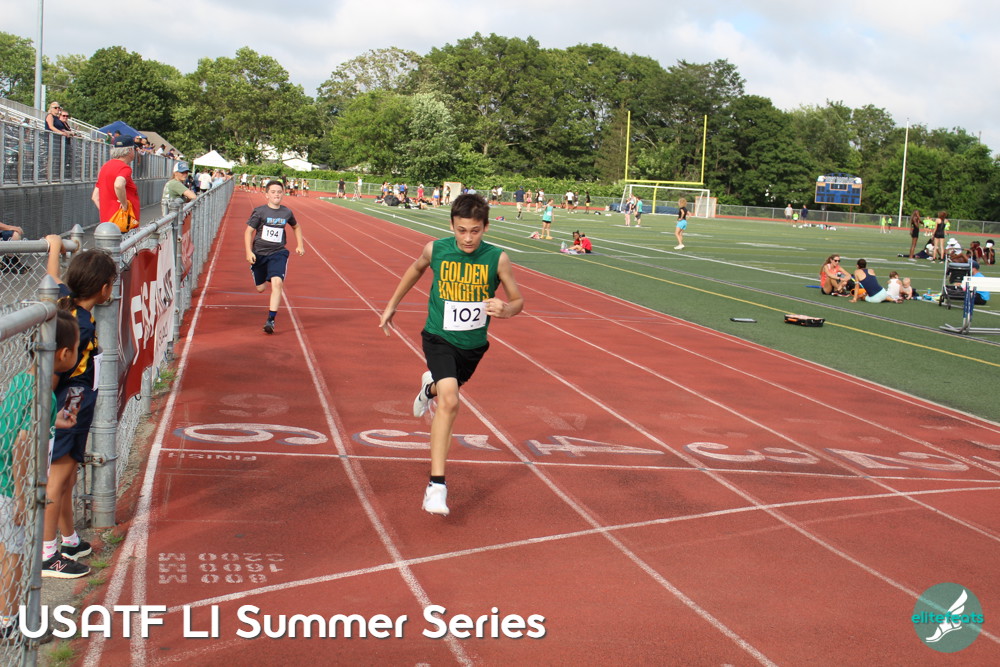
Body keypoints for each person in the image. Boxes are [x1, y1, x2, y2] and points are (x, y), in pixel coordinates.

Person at [377, 194, 524, 516]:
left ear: (486, 227)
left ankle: (428, 387)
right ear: (452, 226)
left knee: (446, 390)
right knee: (451, 400)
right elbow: (415, 269)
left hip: (473, 346)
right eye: (461, 230)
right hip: (438, 337)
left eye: (475, 231)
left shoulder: (497, 259)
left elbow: (517, 300)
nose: (468, 238)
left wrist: (506, 309)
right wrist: (391, 306)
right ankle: (436, 486)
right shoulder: (436, 250)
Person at [1, 310, 82, 635]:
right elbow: (22, 443)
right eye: (76, 348)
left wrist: (53, 420)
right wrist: (22, 497)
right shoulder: (42, 394)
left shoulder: (24, 381)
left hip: (5, 482)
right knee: (15, 557)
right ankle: (8, 623)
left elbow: (25, 424)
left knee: (9, 552)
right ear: (63, 354)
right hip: (10, 488)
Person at [42, 235, 119, 578]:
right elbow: (54, 376)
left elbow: (52, 280)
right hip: (72, 402)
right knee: (58, 477)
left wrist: (55, 247)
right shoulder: (81, 325)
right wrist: (46, 410)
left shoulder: (64, 302)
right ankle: (46, 554)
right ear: (104, 289)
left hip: (74, 400)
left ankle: (69, 539)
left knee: (69, 474)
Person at [244, 181, 305, 335]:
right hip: (259, 254)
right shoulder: (260, 212)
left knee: (277, 283)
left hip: (278, 253)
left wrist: (300, 245)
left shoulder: (287, 212)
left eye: (279, 191)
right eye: (273, 192)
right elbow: (248, 232)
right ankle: (265, 274)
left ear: (283, 194)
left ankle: (270, 320)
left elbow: (296, 226)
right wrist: (249, 252)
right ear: (267, 195)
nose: (276, 194)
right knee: (260, 288)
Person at [91, 135, 140, 232]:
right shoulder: (124, 168)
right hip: (123, 224)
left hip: (107, 224)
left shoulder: (105, 167)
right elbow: (118, 185)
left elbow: (95, 197)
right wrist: (124, 205)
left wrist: (106, 211)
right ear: (130, 150)